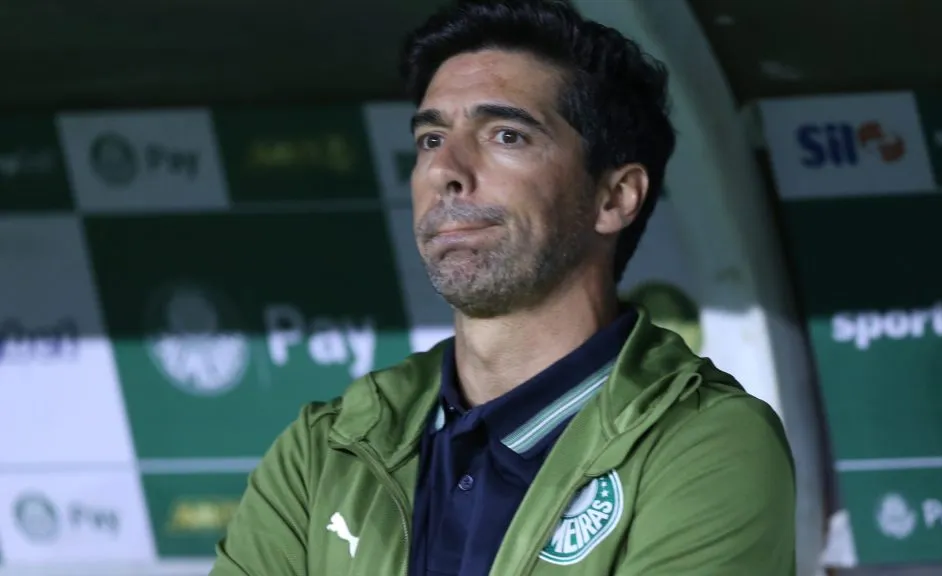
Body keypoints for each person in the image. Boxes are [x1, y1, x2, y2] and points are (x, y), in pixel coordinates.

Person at [209, 0, 795, 574]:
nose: (446, 171)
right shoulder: (326, 448)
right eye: (431, 140)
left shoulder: (704, 443)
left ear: (615, 197)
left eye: (506, 136)